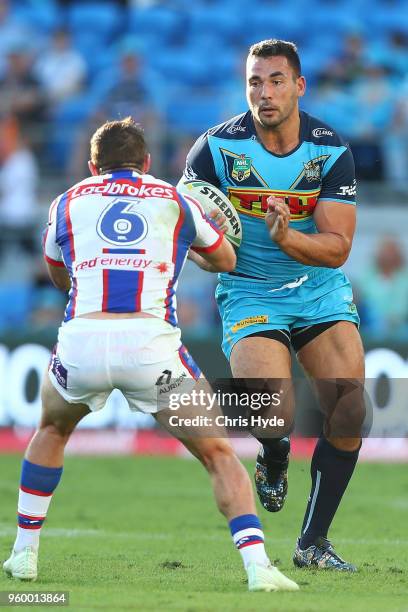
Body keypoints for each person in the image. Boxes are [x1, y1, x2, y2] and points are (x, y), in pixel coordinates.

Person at [3, 117, 298, 593]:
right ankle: (258, 567)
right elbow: (226, 260)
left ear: (92, 165)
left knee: (51, 430)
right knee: (218, 452)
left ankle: (23, 555)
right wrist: (211, 233)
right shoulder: (175, 199)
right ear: (147, 162)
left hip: (83, 341)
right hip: (151, 349)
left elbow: (59, 276)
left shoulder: (66, 202)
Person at [180, 39, 365, 571]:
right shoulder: (212, 151)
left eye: (277, 80)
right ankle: (274, 451)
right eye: (255, 82)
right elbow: (184, 230)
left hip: (317, 287)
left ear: (299, 86)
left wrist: (289, 241)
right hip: (248, 289)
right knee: (270, 410)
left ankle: (312, 544)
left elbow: (337, 249)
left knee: (350, 409)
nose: (265, 92)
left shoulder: (331, 150)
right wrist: (209, 253)